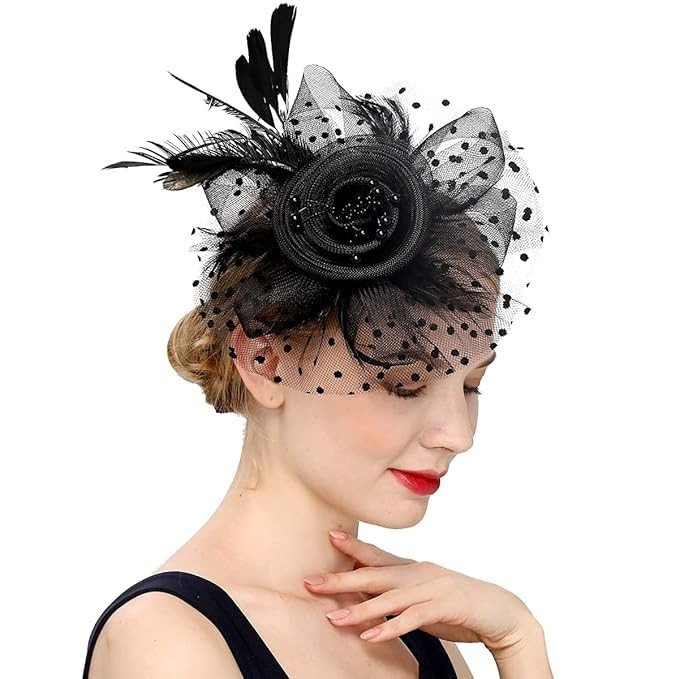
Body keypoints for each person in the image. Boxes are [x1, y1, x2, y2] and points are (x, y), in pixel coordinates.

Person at [83, 4, 553, 677]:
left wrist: (518, 640)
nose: (457, 434)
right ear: (263, 359)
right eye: (407, 382)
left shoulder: (425, 636)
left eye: (472, 385)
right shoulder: (169, 645)